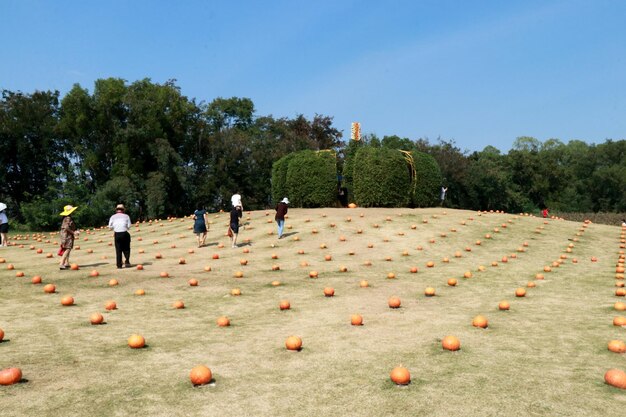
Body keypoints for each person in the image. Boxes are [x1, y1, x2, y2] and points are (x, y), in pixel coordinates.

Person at [108, 204, 132, 269]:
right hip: (124, 233)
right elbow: (129, 226)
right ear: (123, 210)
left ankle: (119, 265)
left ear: (116, 210)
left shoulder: (112, 217)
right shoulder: (126, 216)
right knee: (127, 248)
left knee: (118, 250)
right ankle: (127, 261)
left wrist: (115, 227)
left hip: (117, 234)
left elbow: (109, 227)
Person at [59, 205, 79, 269]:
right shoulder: (68, 218)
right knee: (68, 249)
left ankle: (67, 263)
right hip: (67, 236)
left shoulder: (65, 217)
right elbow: (67, 227)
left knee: (66, 248)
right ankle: (62, 263)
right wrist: (74, 233)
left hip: (65, 235)